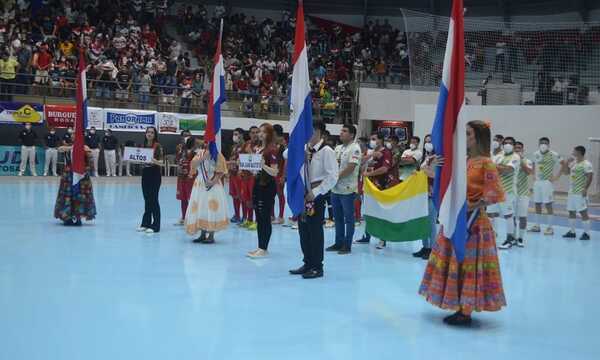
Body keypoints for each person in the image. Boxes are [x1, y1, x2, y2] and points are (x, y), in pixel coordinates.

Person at [419, 120, 506, 326]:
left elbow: (494, 195)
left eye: (468, 134)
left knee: (468, 264)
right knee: (455, 260)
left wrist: (470, 206)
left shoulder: (486, 163)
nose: (464, 138)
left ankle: (465, 310)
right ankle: (458, 304)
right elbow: (443, 182)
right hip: (455, 220)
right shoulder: (464, 161)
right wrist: (431, 166)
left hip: (473, 224)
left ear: (479, 138)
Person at [289, 121, 338, 279]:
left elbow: (332, 176)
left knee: (314, 230)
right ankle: (307, 262)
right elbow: (286, 154)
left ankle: (317, 266)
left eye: (311, 131)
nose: (308, 134)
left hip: (314, 196)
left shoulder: (326, 151)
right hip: (302, 195)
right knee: (303, 228)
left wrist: (316, 192)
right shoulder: (304, 149)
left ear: (320, 133)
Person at [185, 138, 229, 243]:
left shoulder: (218, 155)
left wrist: (213, 181)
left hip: (212, 183)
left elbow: (221, 171)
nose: (207, 144)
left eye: (210, 142)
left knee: (211, 207)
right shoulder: (200, 153)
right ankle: (203, 233)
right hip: (200, 183)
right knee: (201, 206)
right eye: (206, 142)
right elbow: (193, 165)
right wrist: (203, 157)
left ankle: (211, 235)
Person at [326, 124, 361, 255]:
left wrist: (335, 177)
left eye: (344, 131)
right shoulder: (338, 148)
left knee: (348, 218)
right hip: (335, 189)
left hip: (348, 189)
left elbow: (351, 167)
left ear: (352, 135)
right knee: (337, 217)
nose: (341, 133)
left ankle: (347, 244)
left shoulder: (355, 148)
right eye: (341, 130)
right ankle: (338, 242)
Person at [247, 123, 280, 258]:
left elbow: (275, 171)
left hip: (267, 186)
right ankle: (260, 246)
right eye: (259, 131)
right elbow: (257, 169)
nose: (260, 134)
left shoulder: (272, 150)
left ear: (269, 134)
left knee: (264, 217)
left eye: (264, 132)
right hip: (258, 183)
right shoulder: (258, 149)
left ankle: (264, 247)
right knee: (259, 217)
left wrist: (263, 166)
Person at [356, 132, 393, 248]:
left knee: (381, 213)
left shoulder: (386, 152)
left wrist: (369, 173)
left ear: (380, 140)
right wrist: (369, 157)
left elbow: (385, 169)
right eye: (370, 139)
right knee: (368, 211)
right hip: (368, 187)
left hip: (381, 187)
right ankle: (367, 236)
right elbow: (360, 164)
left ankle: (383, 239)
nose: (371, 141)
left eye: (374, 139)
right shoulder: (370, 152)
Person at [555, 146, 593, 240]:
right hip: (571, 192)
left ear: (579, 152)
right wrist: (567, 162)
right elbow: (566, 172)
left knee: (583, 212)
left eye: (574, 151)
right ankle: (572, 232)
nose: (572, 152)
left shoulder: (586, 164)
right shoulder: (574, 162)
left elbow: (590, 176)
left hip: (580, 192)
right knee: (571, 211)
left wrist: (585, 189)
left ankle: (587, 233)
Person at [54, 143, 97, 226]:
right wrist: (73, 147)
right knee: (67, 195)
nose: (73, 135)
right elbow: (60, 149)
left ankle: (78, 217)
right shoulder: (67, 147)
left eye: (75, 133)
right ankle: (67, 217)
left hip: (81, 175)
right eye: (72, 133)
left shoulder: (85, 147)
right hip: (69, 174)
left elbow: (90, 161)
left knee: (80, 195)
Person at [490, 137, 521, 250]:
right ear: (502, 145)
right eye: (506, 143)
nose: (508, 144)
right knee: (490, 214)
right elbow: (489, 169)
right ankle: (492, 236)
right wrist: (497, 167)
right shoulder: (498, 156)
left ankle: (510, 239)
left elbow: (508, 170)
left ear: (513, 145)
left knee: (508, 215)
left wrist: (495, 167)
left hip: (508, 191)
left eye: (510, 143)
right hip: (494, 190)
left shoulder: (516, 157)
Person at [529, 137, 561, 236]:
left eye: (545, 143)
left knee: (548, 204)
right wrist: (533, 175)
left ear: (548, 144)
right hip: (537, 182)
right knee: (537, 204)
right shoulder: (535, 154)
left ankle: (550, 228)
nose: (543, 144)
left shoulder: (554, 154)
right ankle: (537, 226)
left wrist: (556, 177)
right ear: (539, 144)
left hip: (547, 183)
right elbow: (533, 164)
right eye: (541, 143)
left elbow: (564, 164)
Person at [413, 135, 437, 259]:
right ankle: (425, 246)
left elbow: (438, 176)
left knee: (431, 222)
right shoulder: (426, 157)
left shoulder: (438, 158)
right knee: (423, 221)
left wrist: (423, 172)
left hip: (432, 193)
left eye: (430, 142)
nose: (428, 144)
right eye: (426, 141)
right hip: (422, 193)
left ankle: (433, 248)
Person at [137, 127, 164, 234]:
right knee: (147, 199)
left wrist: (154, 160)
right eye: (148, 132)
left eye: (152, 132)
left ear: (155, 135)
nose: (149, 134)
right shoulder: (142, 146)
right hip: (145, 174)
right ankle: (145, 223)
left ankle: (156, 225)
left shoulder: (158, 146)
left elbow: (162, 162)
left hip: (155, 174)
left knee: (154, 200)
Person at [239, 126, 260, 230]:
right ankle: (249, 219)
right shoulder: (246, 144)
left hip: (255, 176)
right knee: (247, 199)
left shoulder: (261, 145)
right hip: (246, 175)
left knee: (254, 199)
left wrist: (250, 152)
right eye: (253, 132)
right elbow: (241, 157)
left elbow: (259, 160)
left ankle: (257, 221)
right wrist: (240, 169)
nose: (255, 134)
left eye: (257, 132)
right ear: (250, 134)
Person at [514, 142, 533, 247]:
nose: (517, 150)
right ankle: (512, 236)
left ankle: (520, 238)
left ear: (523, 149)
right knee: (511, 217)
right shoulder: (509, 161)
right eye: (515, 148)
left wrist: (521, 161)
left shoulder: (527, 161)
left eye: (519, 148)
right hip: (512, 192)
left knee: (522, 216)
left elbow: (529, 172)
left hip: (523, 193)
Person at [176, 137, 196, 225]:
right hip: (181, 177)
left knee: (192, 198)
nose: (183, 141)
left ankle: (193, 218)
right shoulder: (180, 150)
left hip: (190, 178)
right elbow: (177, 160)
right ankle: (184, 217)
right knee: (183, 198)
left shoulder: (195, 152)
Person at [228, 128, 245, 223]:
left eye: (236, 134)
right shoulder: (233, 147)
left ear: (241, 135)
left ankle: (244, 215)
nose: (234, 136)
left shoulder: (245, 146)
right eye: (233, 134)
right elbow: (232, 158)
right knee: (234, 195)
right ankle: (237, 214)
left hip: (240, 175)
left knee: (241, 196)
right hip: (232, 174)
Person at [272, 124, 287, 225]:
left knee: (280, 194)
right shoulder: (274, 143)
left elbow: (287, 161)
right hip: (273, 173)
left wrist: (283, 175)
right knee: (271, 195)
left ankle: (281, 216)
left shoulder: (284, 144)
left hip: (280, 173)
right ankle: (272, 215)